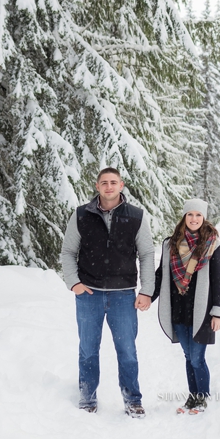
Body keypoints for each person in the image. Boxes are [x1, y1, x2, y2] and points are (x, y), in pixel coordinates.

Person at [60, 167, 154, 417]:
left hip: (123, 296)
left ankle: (133, 400)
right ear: (97, 186)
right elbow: (68, 251)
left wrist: (146, 290)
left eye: (113, 182)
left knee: (127, 352)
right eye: (104, 182)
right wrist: (74, 283)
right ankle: (87, 398)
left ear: (121, 185)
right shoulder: (81, 214)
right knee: (88, 350)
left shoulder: (136, 216)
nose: (109, 186)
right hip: (89, 295)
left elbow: (146, 254)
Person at [152, 198, 220, 415]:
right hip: (179, 309)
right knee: (188, 357)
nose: (194, 219)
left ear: (204, 218)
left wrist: (218, 312)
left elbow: (218, 282)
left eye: (198, 215)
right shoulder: (171, 245)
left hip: (201, 311)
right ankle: (192, 397)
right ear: (184, 217)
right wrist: (148, 296)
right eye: (190, 214)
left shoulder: (212, 246)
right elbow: (161, 275)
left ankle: (202, 398)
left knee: (197, 358)